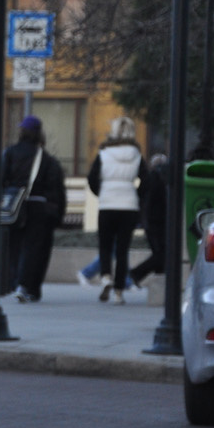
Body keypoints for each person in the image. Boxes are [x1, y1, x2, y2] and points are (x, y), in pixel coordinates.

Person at [3, 114, 67, 303]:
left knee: (15, 246)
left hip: (14, 207)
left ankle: (18, 282)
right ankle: (29, 286)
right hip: (40, 208)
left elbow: (0, 180)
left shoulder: (10, 153)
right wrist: (58, 214)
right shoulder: (46, 159)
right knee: (36, 249)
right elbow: (57, 188)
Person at [87, 116, 144, 304]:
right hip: (129, 205)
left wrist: (101, 192)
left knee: (105, 245)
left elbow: (92, 178)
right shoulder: (136, 154)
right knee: (122, 249)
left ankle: (105, 277)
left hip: (107, 204)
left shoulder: (104, 153)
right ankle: (119, 292)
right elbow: (147, 180)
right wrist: (135, 193)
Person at [127, 153, 170, 291]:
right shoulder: (158, 179)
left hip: (151, 221)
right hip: (155, 222)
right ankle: (135, 274)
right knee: (161, 254)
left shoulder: (150, 179)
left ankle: (159, 284)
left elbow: (140, 197)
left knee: (160, 254)